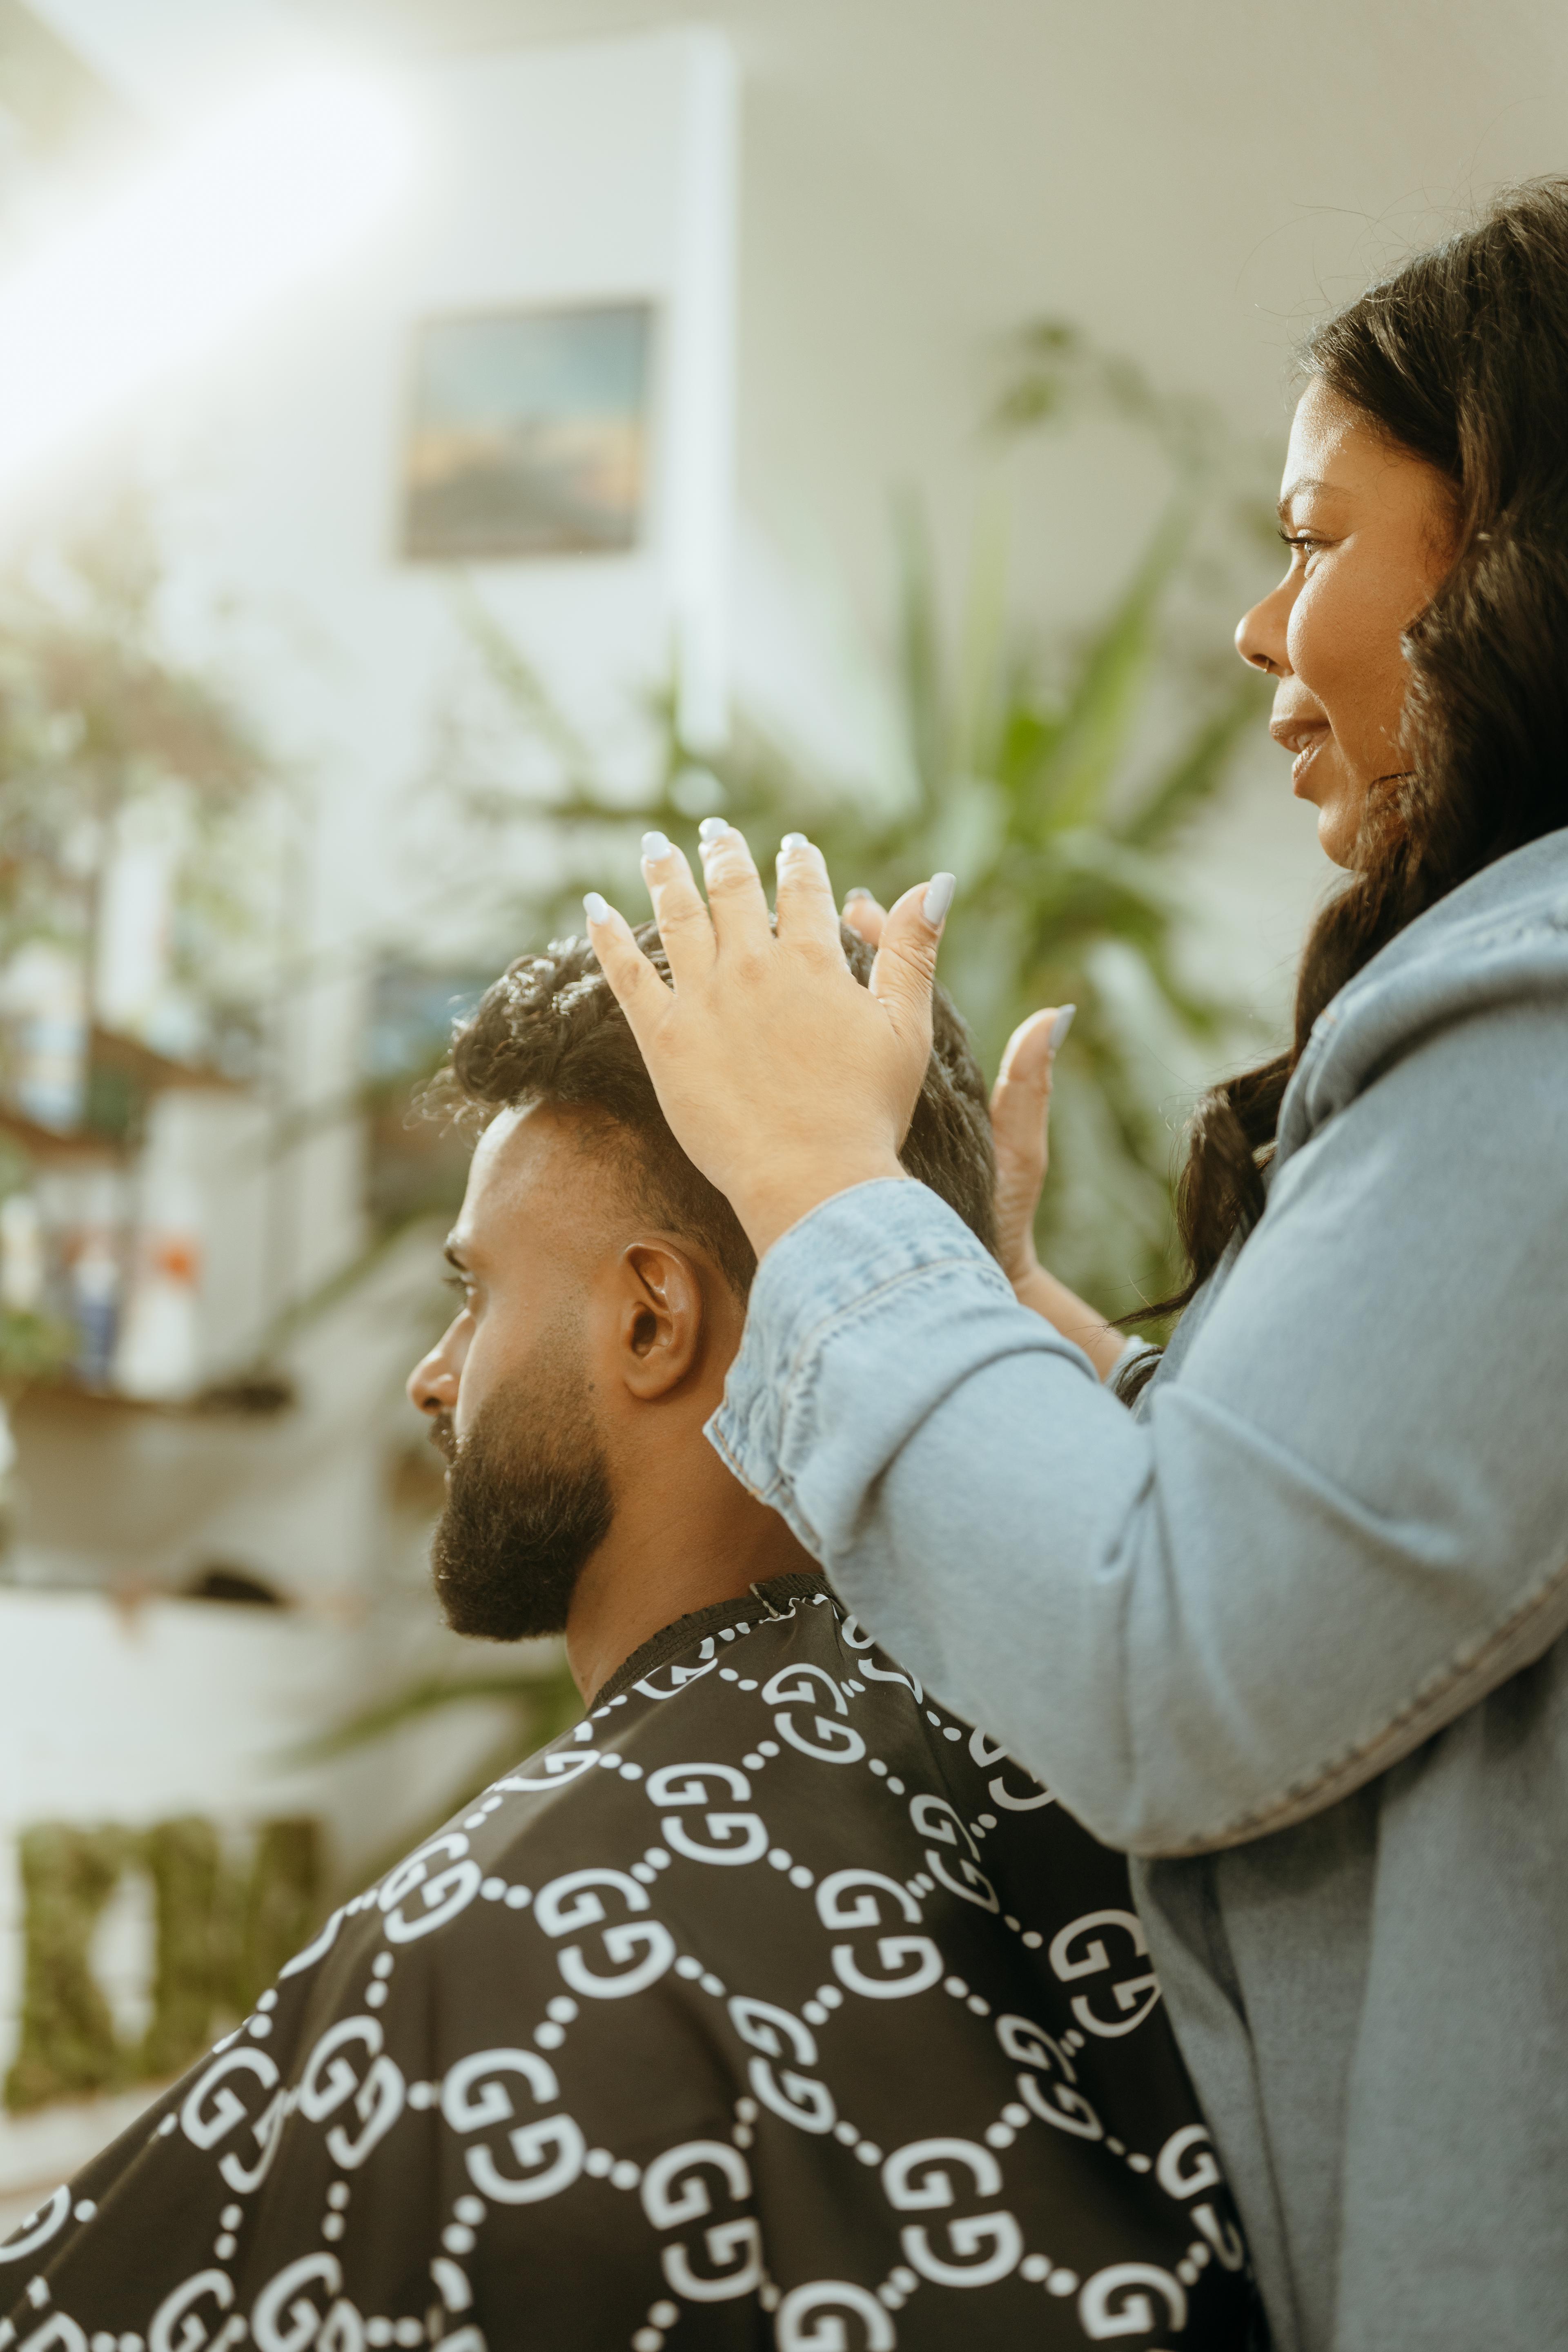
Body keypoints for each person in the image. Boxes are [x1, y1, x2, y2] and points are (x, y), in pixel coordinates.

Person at [581, 181, 1568, 2352]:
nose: (1255, 625)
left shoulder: (1543, 1007)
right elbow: (1368, 1572)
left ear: (1508, 554)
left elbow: (1169, 1666)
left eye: (1315, 537)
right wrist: (1003, 1324)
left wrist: (820, 1190)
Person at [0, 928, 1257, 2352]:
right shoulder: (1119, 1755)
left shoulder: (495, 1950)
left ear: (654, 1319)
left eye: (473, 1293)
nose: (435, 1374)